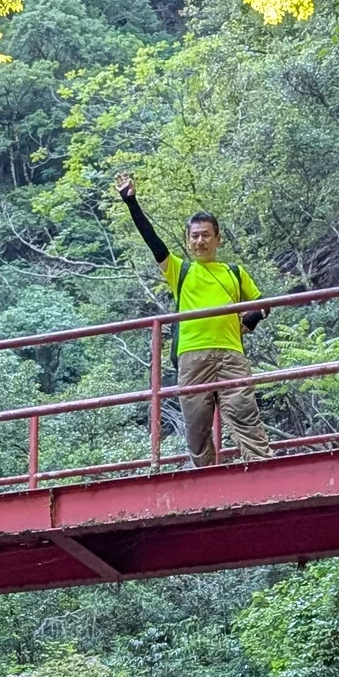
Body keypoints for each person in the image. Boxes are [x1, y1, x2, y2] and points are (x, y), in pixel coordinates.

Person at [115, 174, 272, 463]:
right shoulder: (181, 271)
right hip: (192, 357)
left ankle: (263, 472)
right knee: (197, 429)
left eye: (206, 235)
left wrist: (249, 320)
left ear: (217, 238)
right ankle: (207, 484)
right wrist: (131, 202)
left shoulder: (234, 272)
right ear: (188, 240)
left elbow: (264, 304)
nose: (200, 241)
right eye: (194, 236)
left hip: (230, 355)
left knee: (245, 416)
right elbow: (155, 243)